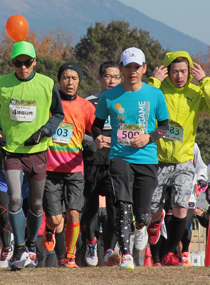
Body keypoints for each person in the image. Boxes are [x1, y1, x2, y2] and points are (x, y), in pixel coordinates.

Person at [0, 40, 64, 270]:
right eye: (18, 63)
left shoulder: (46, 83)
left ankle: (31, 245)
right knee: (15, 198)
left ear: (35, 62)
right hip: (11, 151)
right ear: (12, 63)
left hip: (38, 152)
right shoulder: (2, 83)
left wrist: (45, 131)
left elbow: (58, 113)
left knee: (37, 204)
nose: (23, 67)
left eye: (27, 63)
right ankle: (19, 248)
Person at [92, 47, 169, 270]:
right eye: (128, 67)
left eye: (137, 67)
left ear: (144, 69)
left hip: (146, 159)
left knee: (143, 214)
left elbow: (165, 127)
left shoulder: (154, 94)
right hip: (119, 157)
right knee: (122, 204)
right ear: (122, 68)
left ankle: (143, 226)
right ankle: (126, 254)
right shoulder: (109, 96)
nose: (132, 71)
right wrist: (98, 137)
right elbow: (96, 125)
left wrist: (149, 137)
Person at [147, 51, 210, 266]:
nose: (179, 76)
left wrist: (206, 81)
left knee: (182, 206)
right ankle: (155, 253)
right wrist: (154, 81)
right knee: (154, 209)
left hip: (183, 160)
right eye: (174, 71)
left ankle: (170, 253)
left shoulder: (196, 92)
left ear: (190, 72)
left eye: (183, 71)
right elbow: (142, 108)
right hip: (158, 159)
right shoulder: (158, 90)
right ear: (167, 71)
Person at [42, 62, 95, 268]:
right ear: (59, 81)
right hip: (50, 169)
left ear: (79, 81)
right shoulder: (49, 103)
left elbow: (96, 129)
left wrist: (101, 139)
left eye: (74, 78)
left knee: (73, 213)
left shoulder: (85, 106)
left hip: (74, 169)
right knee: (56, 220)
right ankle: (49, 228)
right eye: (65, 77)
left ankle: (69, 256)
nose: (70, 82)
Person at [81, 60, 121, 267]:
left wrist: (114, 141)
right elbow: (78, 134)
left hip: (116, 164)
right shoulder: (88, 102)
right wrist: (95, 141)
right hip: (91, 164)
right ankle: (90, 242)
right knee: (89, 210)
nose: (111, 80)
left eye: (116, 77)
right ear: (100, 78)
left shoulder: (127, 101)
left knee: (116, 209)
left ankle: (109, 250)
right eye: (108, 76)